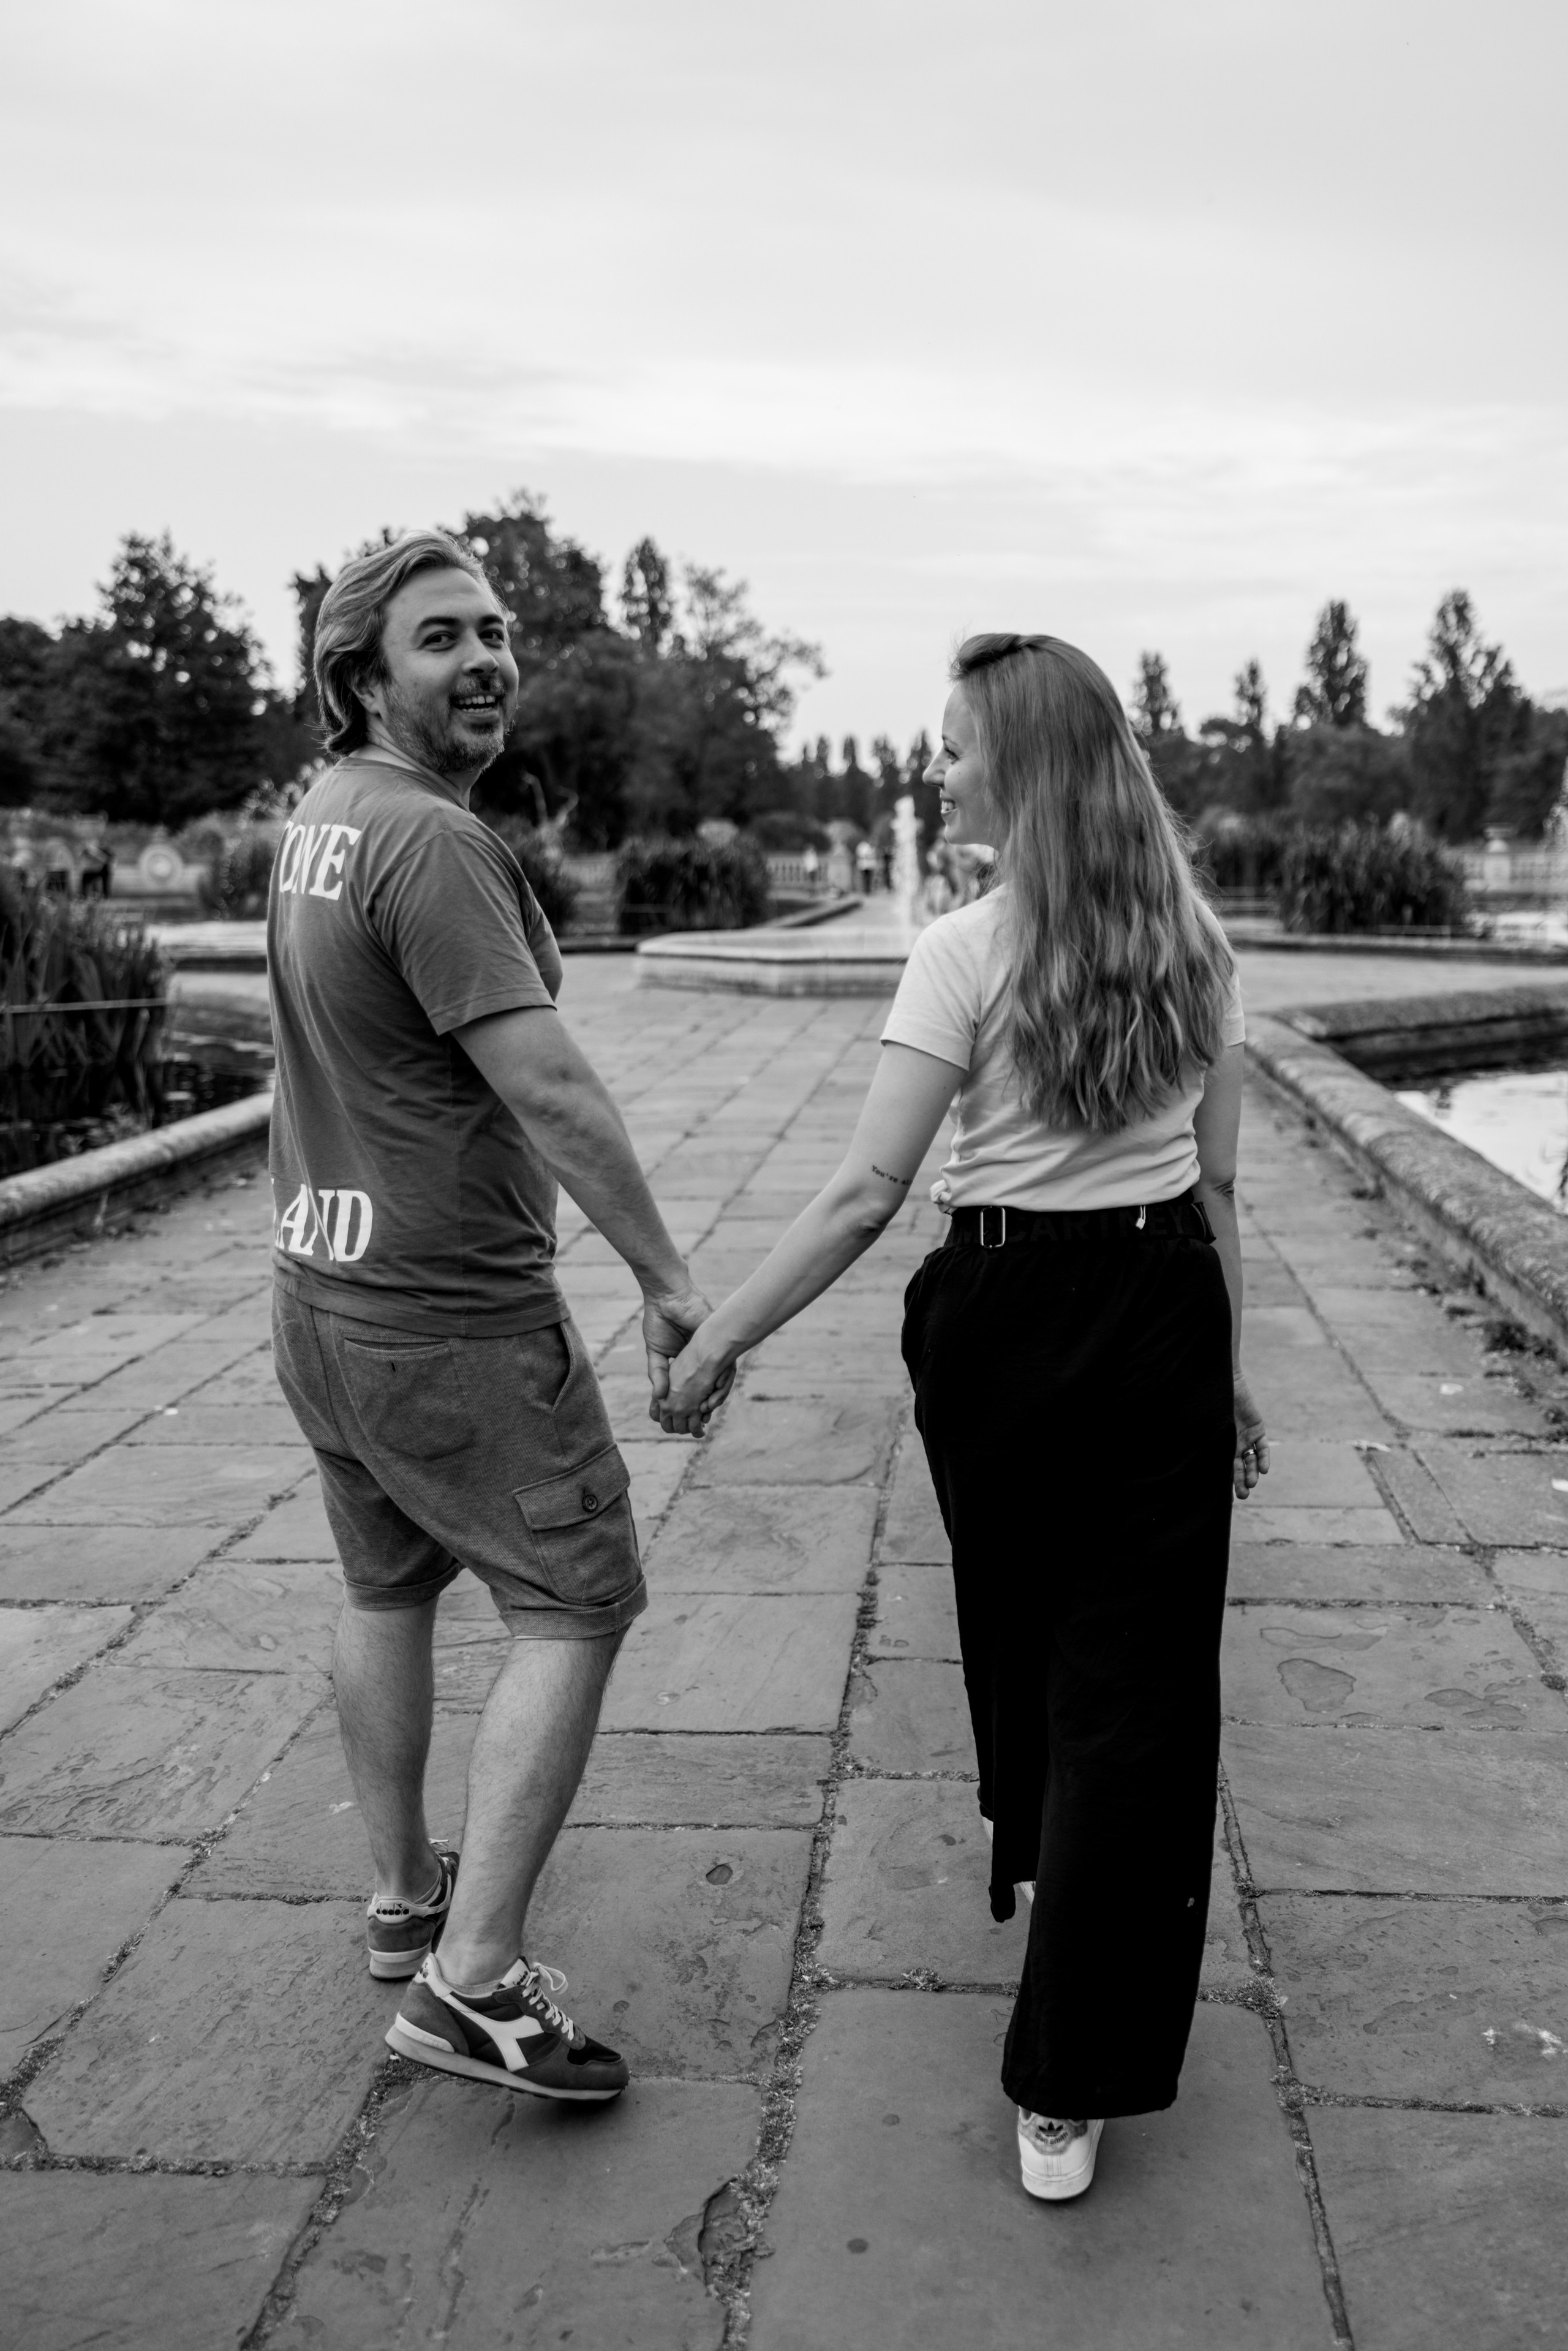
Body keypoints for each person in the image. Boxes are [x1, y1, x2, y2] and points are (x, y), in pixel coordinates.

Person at [658, 631, 1268, 2200]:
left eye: (949, 748)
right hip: (1159, 1315)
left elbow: (869, 1188)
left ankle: (1058, 2012)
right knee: (1128, 1691)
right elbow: (1209, 1192)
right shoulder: (1195, 946)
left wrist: (721, 1331)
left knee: (1034, 1640)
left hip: (1002, 1324)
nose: (931, 771)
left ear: (1018, 766)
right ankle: (1067, 2011)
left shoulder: (959, 951)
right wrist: (1231, 1367)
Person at [268, 530, 724, 2107]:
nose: (485, 659)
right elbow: (546, 1085)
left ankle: (406, 1896)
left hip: (321, 1287)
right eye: (441, 636)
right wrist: (670, 1277)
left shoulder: (321, 816)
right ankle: (471, 1984)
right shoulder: (430, 840)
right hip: (446, 1317)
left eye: (496, 630)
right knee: (574, 1601)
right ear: (361, 674)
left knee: (385, 1583)